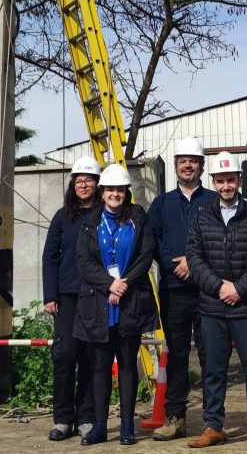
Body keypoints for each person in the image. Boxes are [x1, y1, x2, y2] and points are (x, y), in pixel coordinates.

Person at [185, 152, 247, 450]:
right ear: (213, 183)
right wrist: (218, 287)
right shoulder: (201, 218)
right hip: (212, 307)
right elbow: (195, 259)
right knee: (213, 369)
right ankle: (213, 426)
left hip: (246, 306)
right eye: (220, 180)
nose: (226, 186)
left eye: (230, 180)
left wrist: (238, 287)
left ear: (239, 180)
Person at [75, 164, 157, 447]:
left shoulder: (138, 218)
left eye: (119, 189)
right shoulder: (90, 221)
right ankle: (99, 426)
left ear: (126, 192)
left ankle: (126, 426)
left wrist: (124, 284)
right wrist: (108, 284)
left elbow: (146, 255)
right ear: (102, 192)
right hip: (98, 303)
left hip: (130, 301)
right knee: (99, 367)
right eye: (110, 189)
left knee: (127, 365)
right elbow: (84, 261)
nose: (114, 194)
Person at [147, 138, 216, 441]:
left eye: (193, 160)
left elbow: (221, 238)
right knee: (175, 354)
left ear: (201, 165)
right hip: (173, 291)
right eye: (182, 161)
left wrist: (194, 262)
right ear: (176, 166)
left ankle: (213, 421)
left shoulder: (214, 201)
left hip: (207, 291)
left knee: (211, 355)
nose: (188, 165)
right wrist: (176, 266)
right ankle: (175, 417)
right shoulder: (161, 204)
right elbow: (153, 241)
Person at [42, 156, 101, 442]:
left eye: (88, 179)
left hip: (96, 296)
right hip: (66, 297)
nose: (83, 184)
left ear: (97, 184)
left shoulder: (105, 215)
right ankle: (63, 418)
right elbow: (49, 256)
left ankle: (86, 417)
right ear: (72, 185)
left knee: (91, 358)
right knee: (64, 356)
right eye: (78, 180)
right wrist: (50, 295)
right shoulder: (62, 216)